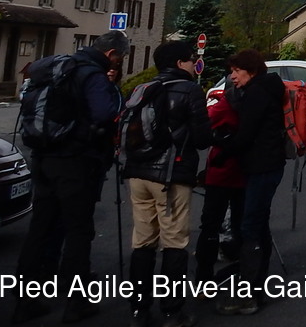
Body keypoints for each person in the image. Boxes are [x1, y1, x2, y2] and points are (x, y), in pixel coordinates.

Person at [12, 30, 127, 325]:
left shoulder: (60, 67)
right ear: (111, 54)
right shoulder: (92, 75)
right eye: (120, 57)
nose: (118, 62)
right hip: (75, 161)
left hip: (43, 157)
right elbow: (105, 114)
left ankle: (25, 301)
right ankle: (76, 302)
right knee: (78, 230)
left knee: (39, 228)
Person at [122, 40, 213, 327]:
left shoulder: (142, 89)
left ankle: (139, 310)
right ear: (179, 63)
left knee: (143, 242)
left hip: (138, 173)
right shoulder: (190, 90)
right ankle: (172, 312)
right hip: (171, 176)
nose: (194, 64)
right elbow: (202, 138)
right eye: (190, 60)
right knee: (174, 242)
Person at [214, 49, 286, 316]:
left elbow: (246, 135)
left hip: (261, 166)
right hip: (268, 165)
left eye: (236, 71)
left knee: (251, 226)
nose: (232, 76)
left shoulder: (257, 93)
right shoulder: (267, 88)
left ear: (251, 71)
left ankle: (250, 294)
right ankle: (255, 286)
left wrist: (222, 151)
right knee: (259, 224)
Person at [196, 80, 246, 282]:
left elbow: (204, 125)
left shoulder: (225, 104)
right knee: (241, 223)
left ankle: (204, 278)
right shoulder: (255, 101)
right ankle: (241, 269)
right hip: (245, 171)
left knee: (210, 225)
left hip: (220, 171)